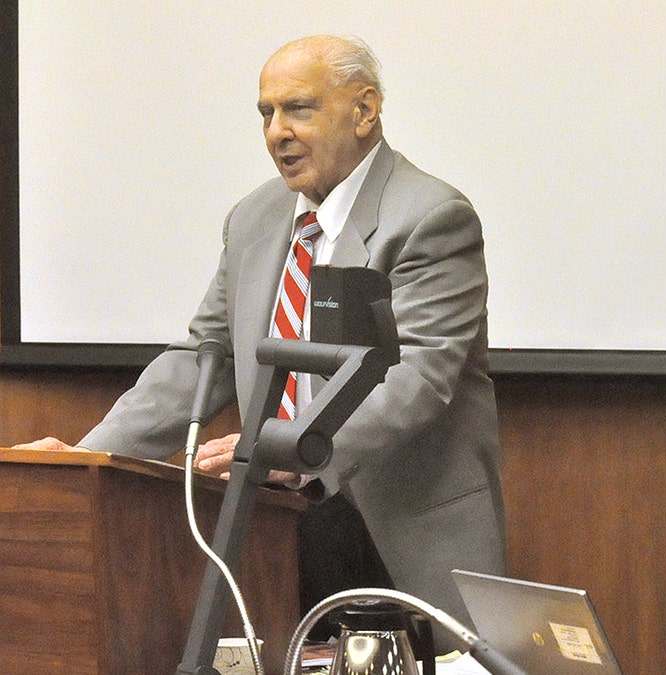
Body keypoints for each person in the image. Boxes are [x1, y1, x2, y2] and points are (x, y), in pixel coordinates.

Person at [16, 35, 506, 636]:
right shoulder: (253, 217)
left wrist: (292, 448)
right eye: (266, 114)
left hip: (403, 529)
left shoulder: (430, 216)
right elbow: (206, 358)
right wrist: (89, 457)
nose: (277, 132)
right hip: (273, 523)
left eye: (298, 109)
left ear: (364, 110)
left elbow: (418, 377)